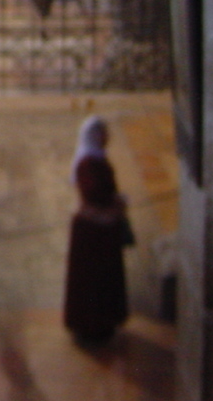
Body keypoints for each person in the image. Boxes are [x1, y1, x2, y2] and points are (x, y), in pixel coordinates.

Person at [63, 115, 131, 343]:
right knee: (92, 280)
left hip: (99, 228)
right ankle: (90, 326)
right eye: (103, 133)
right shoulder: (88, 163)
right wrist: (115, 203)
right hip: (92, 230)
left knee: (102, 278)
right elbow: (94, 194)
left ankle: (103, 322)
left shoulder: (96, 159)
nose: (107, 137)